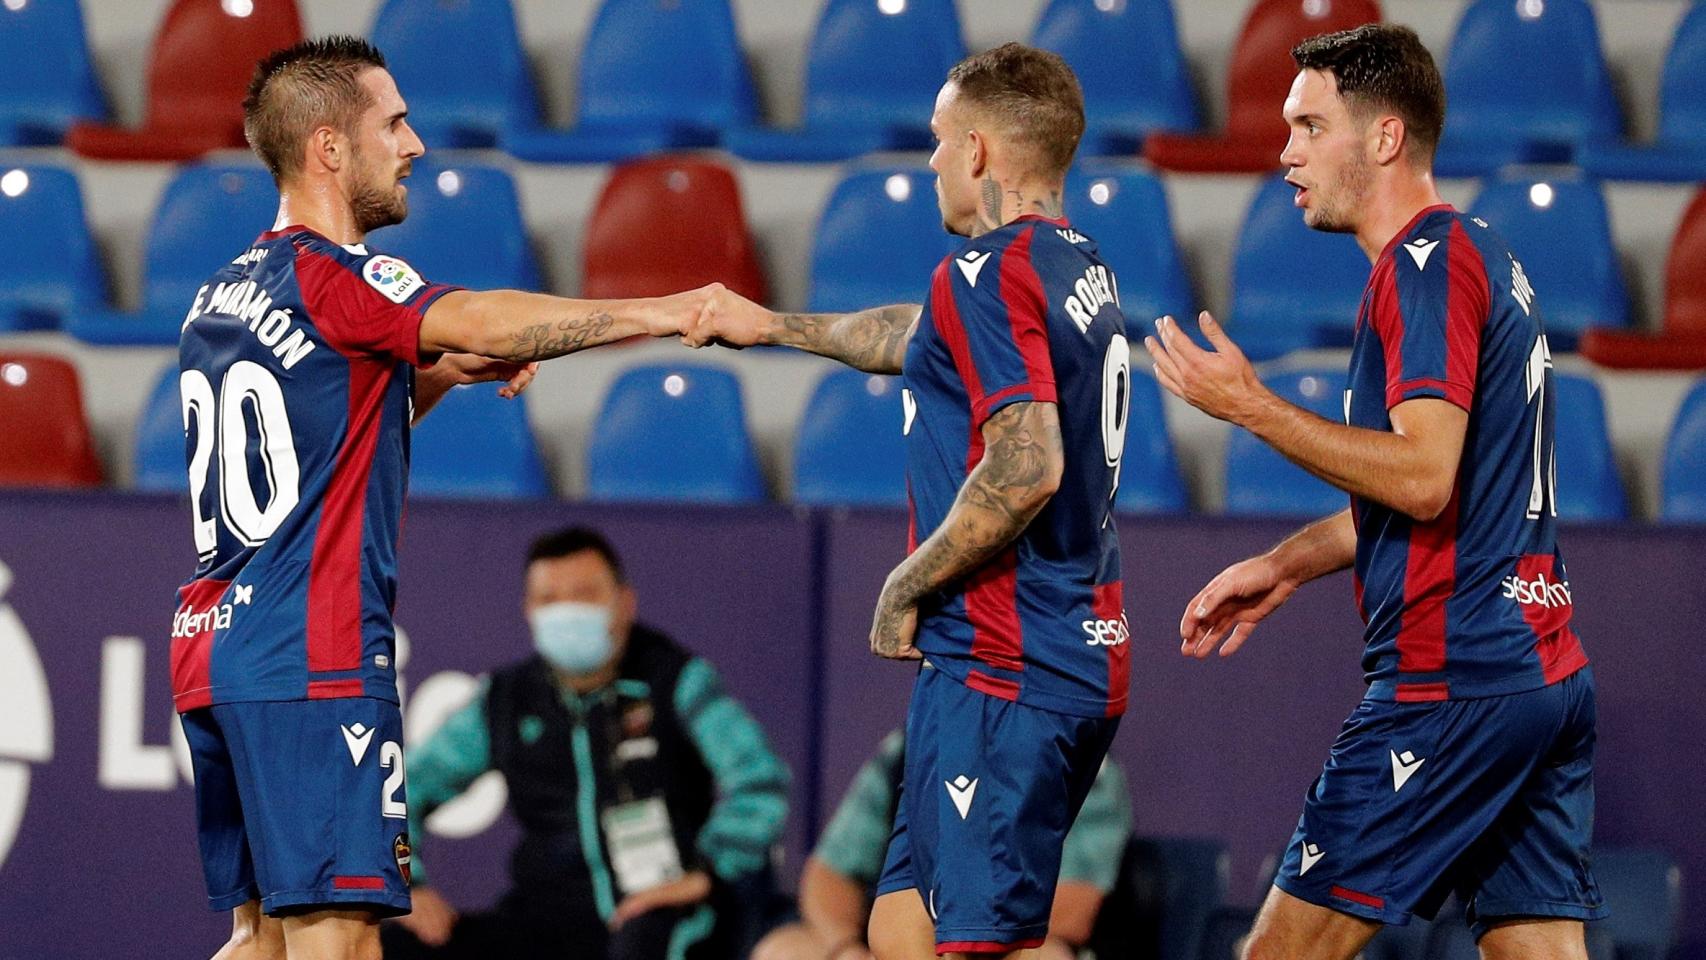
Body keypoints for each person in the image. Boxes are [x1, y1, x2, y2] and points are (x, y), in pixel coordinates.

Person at [169, 37, 709, 960]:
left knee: (259, 940)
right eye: (395, 123)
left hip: (213, 650)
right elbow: (478, 314)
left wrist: (442, 377)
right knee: (339, 939)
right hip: (315, 653)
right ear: (331, 148)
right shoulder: (338, 275)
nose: (415, 144)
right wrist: (661, 312)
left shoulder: (221, 292)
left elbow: (323, 429)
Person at [1143, 24, 1603, 960]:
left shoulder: (1421, 270)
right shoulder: (1482, 253)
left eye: (1310, 126)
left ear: (1385, 138)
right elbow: (1449, 489)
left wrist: (1252, 407)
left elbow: (1425, 478)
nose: (1286, 154)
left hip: (1452, 681)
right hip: (1539, 673)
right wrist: (1288, 562)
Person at [689, 42, 1131, 960]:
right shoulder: (1072, 267)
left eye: (937, 141)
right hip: (1056, 647)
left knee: (979, 945)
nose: (929, 162)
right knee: (902, 925)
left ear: (976, 151)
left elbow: (1029, 463)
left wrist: (905, 584)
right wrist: (770, 326)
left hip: (1008, 662)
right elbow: (912, 338)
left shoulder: (987, 274)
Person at [380, 527, 790, 960]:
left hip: (664, 913)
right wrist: (409, 882)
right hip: (541, 921)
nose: (567, 612)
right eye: (549, 600)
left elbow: (760, 779)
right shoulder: (504, 700)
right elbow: (402, 786)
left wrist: (708, 873)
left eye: (584, 594)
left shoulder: (678, 681)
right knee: (394, 947)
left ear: (625, 603)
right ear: (529, 611)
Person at [753, 729, 1131, 960]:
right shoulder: (908, 748)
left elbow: (1072, 910)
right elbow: (829, 875)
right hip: (895, 934)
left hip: (1008, 943)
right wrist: (847, 951)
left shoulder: (1071, 757)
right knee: (784, 952)